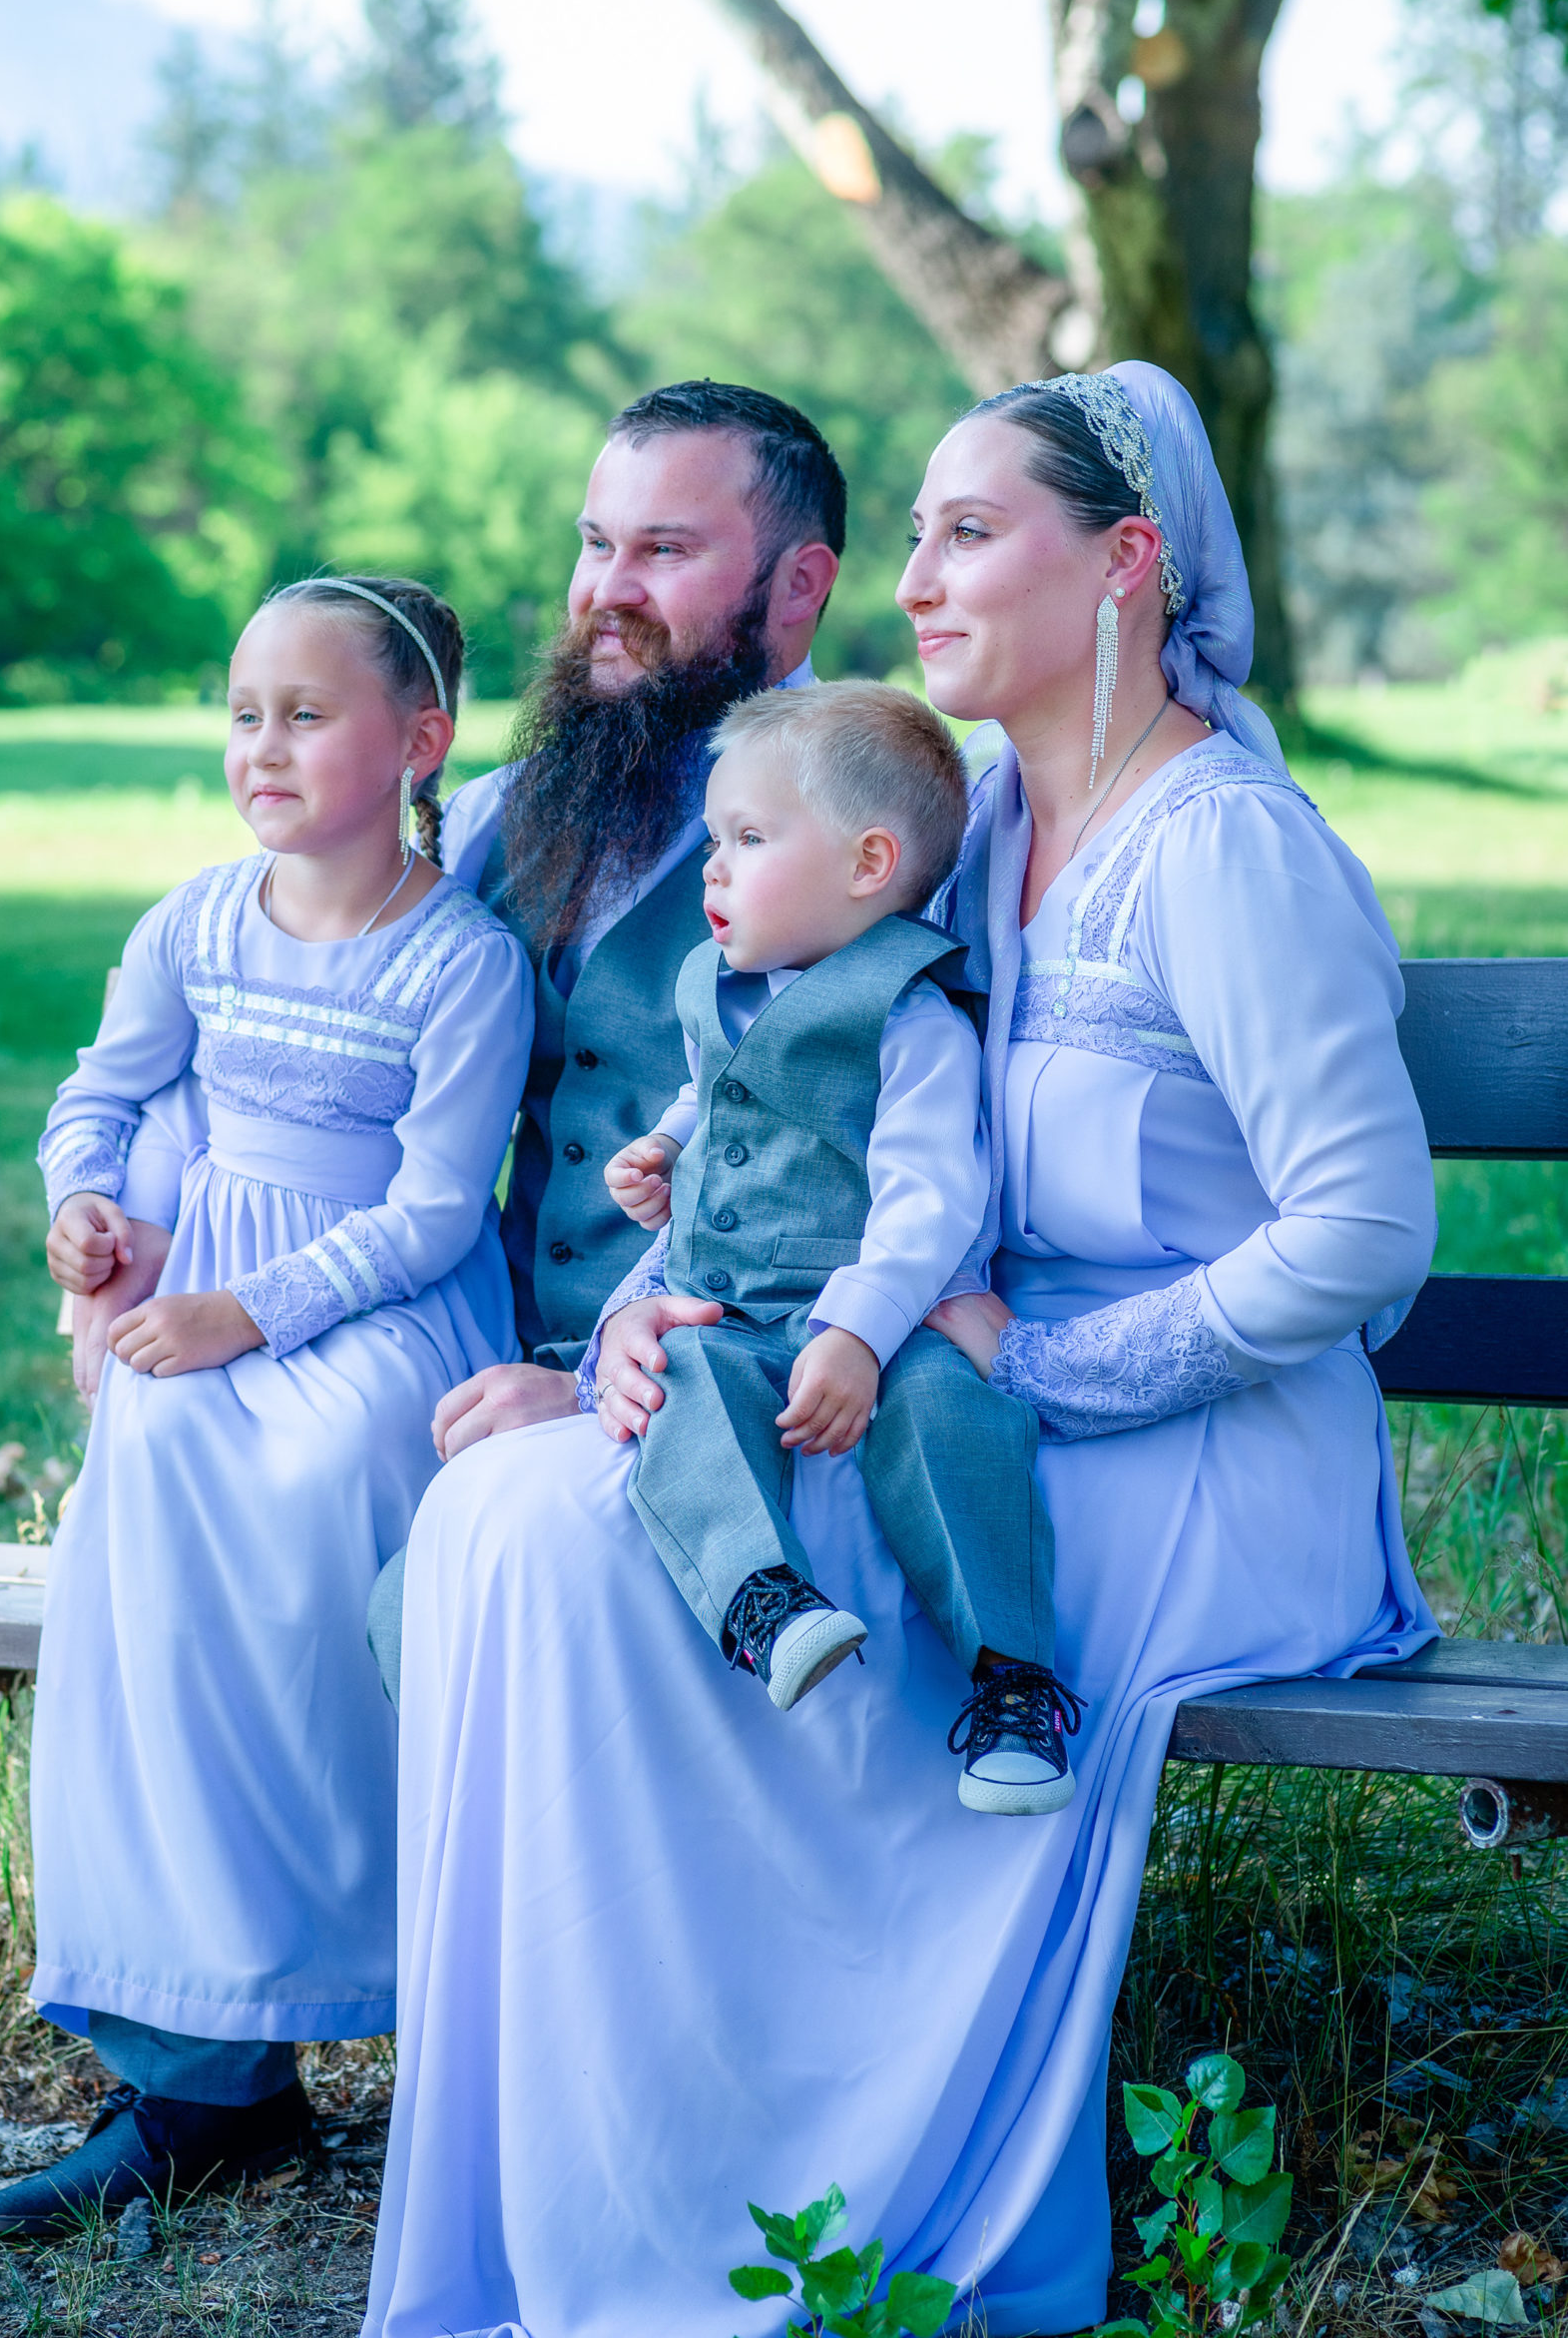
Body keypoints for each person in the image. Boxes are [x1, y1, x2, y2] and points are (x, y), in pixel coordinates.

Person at [360, 366, 1436, 2338]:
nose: (914, 578)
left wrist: (1047, 1364)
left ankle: (801, 2194)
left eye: (965, 531)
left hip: (1195, 1453)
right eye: (917, 532)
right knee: (518, 1512)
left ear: (1122, 562)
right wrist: (632, 1322)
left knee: (590, 1548)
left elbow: (1362, 1239)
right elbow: (787, 1117)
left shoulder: (1220, 850)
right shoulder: (972, 821)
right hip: (938, 1389)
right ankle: (624, 2174)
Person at [0, 575, 533, 2240]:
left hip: (366, 1318)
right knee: (145, 1476)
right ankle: (195, 2061)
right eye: (242, 714)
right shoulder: (196, 924)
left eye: (306, 714)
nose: (262, 746)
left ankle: (374, 1973)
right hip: (195, 1306)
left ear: (417, 740)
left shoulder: (461, 959)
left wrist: (250, 1311)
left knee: (313, 1489)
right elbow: (109, 1090)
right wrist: (86, 1211)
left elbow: (438, 1209)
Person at [363, 380, 846, 1692]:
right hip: (481, 1347)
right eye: (595, 543)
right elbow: (333, 1033)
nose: (605, 592)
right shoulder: (491, 819)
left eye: (664, 551)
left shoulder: (871, 829)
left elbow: (845, 1182)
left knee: (477, 1578)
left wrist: (582, 1387)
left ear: (798, 588)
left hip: (735, 1388)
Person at [599, 681, 1066, 1810]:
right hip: (732, 1305)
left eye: (749, 838)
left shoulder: (906, 1016)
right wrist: (664, 1145)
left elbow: (927, 1195)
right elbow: (712, 1090)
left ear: (867, 864)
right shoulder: (722, 984)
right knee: (683, 1385)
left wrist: (857, 1332)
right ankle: (764, 1602)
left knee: (949, 1410)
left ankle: (1013, 1680)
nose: (713, 867)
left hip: (879, 1307)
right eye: (713, 838)